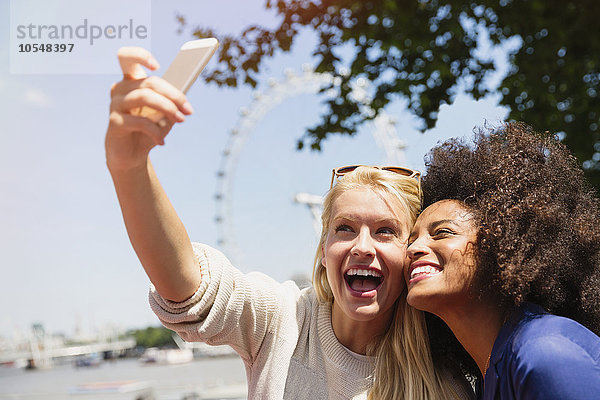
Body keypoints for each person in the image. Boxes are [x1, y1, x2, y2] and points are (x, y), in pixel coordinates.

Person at [105, 47, 473, 399]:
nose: (362, 246)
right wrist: (130, 167)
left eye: (385, 231)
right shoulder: (282, 320)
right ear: (324, 249)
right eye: (344, 228)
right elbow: (187, 288)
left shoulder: (443, 384)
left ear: (411, 255)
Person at [405, 122, 600, 399]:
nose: (414, 249)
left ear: (499, 244)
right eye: (411, 240)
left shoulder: (544, 354)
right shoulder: (491, 373)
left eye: (442, 233)